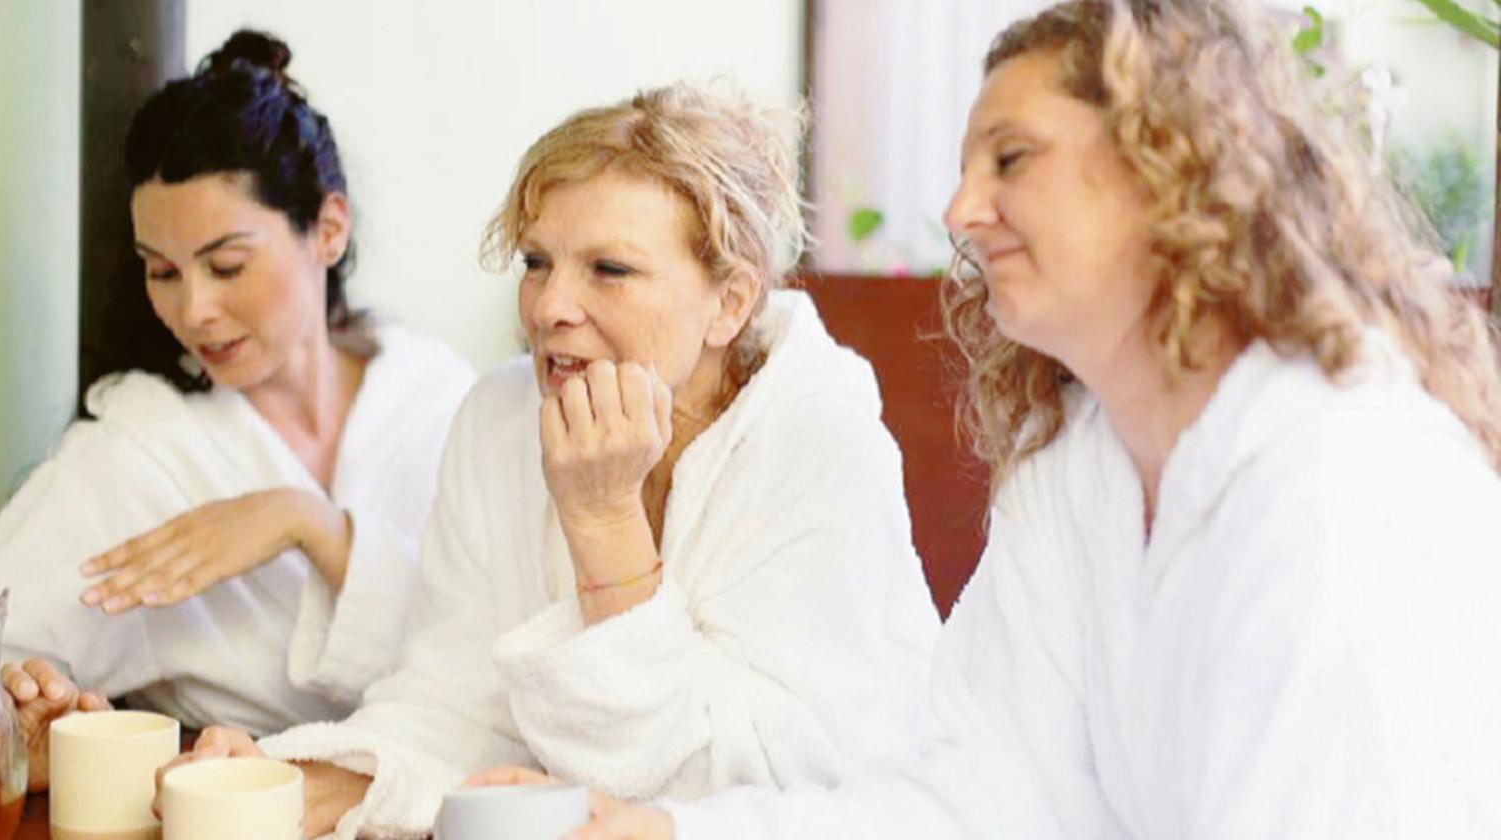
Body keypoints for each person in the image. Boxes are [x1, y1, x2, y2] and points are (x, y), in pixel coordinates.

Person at [476, 1, 1501, 837]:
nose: (961, 210)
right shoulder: (1079, 474)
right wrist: (666, 833)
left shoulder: (1335, 480)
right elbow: (972, 801)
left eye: (1010, 159)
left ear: (1174, 167)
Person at [163, 82, 942, 839]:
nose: (548, 308)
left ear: (730, 303)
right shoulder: (499, 422)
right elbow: (455, 702)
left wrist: (602, 519)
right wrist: (297, 786)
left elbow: (768, 790)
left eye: (610, 270)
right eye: (537, 262)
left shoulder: (818, 448)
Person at [0, 30, 475, 792]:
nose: (194, 310)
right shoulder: (139, 451)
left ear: (328, 229)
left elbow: (496, 646)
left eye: (228, 265)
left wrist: (313, 524)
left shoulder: (439, 397)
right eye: (162, 272)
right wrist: (34, 710)